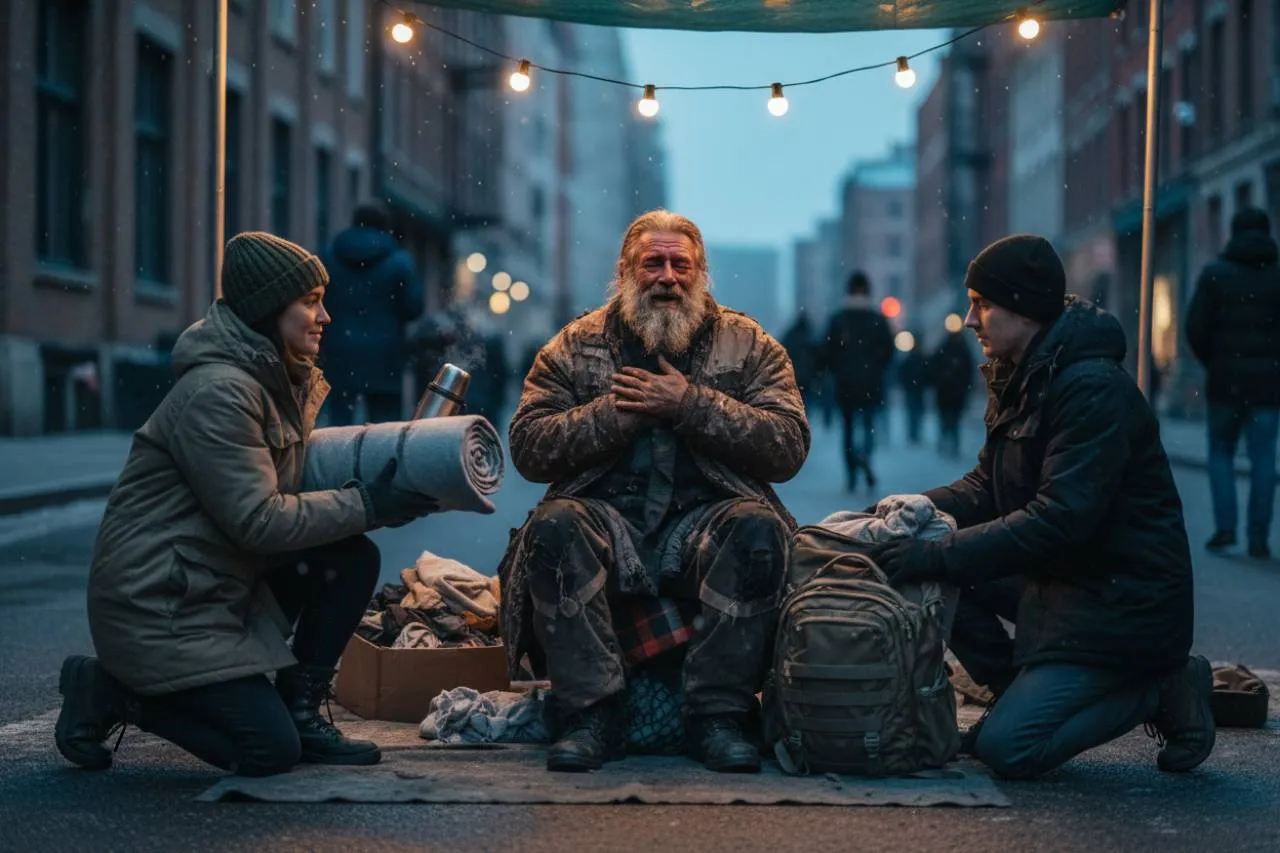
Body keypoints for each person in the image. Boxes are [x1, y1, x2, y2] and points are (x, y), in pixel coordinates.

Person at [54, 232, 438, 777]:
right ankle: (114, 691)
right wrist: (369, 503)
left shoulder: (274, 380)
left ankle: (300, 709)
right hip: (161, 607)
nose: (325, 316)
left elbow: (288, 494)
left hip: (213, 586)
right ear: (267, 309)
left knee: (349, 558)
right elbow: (259, 520)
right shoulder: (221, 393)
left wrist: (390, 478)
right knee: (268, 751)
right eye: (310, 302)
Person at [867, 234, 1214, 780]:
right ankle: (1019, 697)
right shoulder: (1023, 374)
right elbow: (987, 483)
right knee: (940, 571)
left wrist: (937, 554)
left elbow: (1060, 519)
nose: (971, 319)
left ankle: (1161, 687)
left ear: (1023, 309)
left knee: (1010, 750)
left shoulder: (1092, 390)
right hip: (1064, 583)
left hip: (1121, 603)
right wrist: (903, 510)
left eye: (982, 304)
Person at [498, 210, 810, 774]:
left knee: (758, 529)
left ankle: (716, 716)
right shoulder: (574, 344)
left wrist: (689, 405)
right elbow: (527, 445)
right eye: (653, 263)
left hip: (706, 519)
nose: (667, 277)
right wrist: (616, 417)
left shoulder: (749, 344)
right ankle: (593, 715)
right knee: (554, 527)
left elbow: (788, 445)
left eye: (680, 265)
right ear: (625, 271)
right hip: (605, 517)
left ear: (700, 274)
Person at [1185, 207, 1280, 559]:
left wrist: (1215, 361)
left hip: (1225, 383)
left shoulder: (1215, 275)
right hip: (1269, 387)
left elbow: (1194, 327)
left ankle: (1226, 528)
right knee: (1264, 459)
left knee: (1221, 454)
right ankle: (1259, 537)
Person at [320, 204, 423, 424]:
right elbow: (414, 308)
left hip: (339, 351)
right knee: (384, 430)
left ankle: (339, 458)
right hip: (386, 356)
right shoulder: (399, 262)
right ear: (386, 228)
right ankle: (380, 460)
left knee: (339, 427)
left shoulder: (328, 257)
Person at [822, 271, 895, 492]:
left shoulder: (838, 319)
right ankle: (865, 457)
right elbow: (889, 351)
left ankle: (852, 471)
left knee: (847, 429)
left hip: (845, 385)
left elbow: (827, 353)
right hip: (871, 384)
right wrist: (876, 368)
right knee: (868, 426)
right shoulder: (877, 319)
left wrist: (838, 370)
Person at [929, 328, 976, 458]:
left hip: (949, 393)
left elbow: (932, 370)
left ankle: (948, 445)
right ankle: (949, 445)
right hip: (951, 393)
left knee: (950, 420)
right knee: (950, 420)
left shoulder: (948, 351)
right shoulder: (961, 351)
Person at [780, 312, 819, 413]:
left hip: (793, 376)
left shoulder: (790, 336)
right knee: (806, 403)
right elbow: (816, 357)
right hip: (807, 377)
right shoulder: (809, 337)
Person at [897, 339, 930, 446]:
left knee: (913, 412)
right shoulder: (921, 359)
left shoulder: (910, 359)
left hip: (913, 389)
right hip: (916, 389)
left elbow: (902, 372)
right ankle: (915, 434)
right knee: (916, 412)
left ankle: (913, 434)